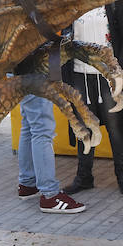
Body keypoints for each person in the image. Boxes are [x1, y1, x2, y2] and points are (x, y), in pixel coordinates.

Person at [62, 1, 123, 195]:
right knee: (84, 129)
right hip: (79, 76)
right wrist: (56, 76)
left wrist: (118, 67)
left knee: (115, 128)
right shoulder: (68, 5)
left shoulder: (115, 3)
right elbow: (57, 40)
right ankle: (84, 177)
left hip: (108, 77)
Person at [14, 51, 85, 214]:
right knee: (42, 130)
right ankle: (50, 196)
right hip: (34, 69)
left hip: (21, 67)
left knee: (30, 125)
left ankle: (28, 184)